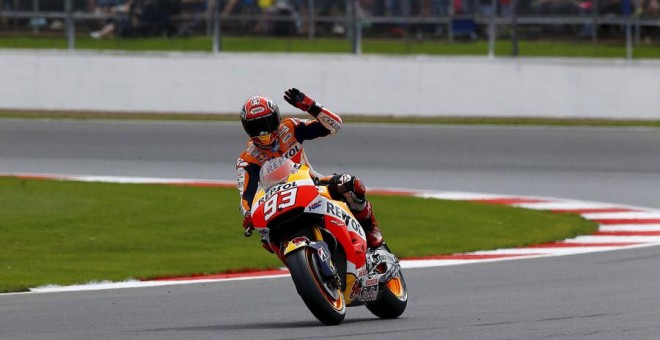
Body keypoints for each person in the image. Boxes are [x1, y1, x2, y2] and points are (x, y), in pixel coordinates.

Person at [236, 88, 384, 252]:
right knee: (267, 239)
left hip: (311, 185)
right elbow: (246, 195)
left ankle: (370, 227)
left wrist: (310, 106)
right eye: (256, 127)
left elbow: (334, 126)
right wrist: (249, 215)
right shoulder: (247, 159)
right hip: (277, 203)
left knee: (349, 184)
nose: (263, 133)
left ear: (276, 119)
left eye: (266, 124)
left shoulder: (290, 128)